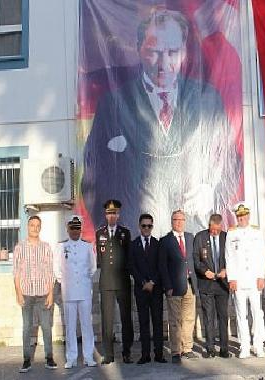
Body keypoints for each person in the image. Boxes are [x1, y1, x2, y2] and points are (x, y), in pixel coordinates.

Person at [81, 7, 240, 237]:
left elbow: (231, 162)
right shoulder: (113, 105)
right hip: (137, 240)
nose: (163, 63)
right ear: (139, 49)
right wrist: (115, 232)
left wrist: (212, 193)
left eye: (173, 52)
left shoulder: (208, 100)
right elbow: (92, 179)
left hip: (190, 238)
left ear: (184, 52)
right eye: (154, 52)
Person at [13, 215, 57, 373]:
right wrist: (18, 293)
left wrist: (51, 293)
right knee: (27, 327)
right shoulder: (20, 247)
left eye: (38, 225)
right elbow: (16, 272)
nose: (35, 228)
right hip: (26, 294)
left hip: (43, 294)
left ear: (40, 227)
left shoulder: (45, 247)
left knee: (46, 326)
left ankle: (49, 358)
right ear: (27, 227)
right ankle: (26, 360)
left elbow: (50, 271)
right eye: (32, 225)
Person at [53, 216, 97, 368]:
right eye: (72, 228)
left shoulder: (87, 246)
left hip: (84, 291)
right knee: (70, 326)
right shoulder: (61, 247)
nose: (75, 231)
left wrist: (83, 281)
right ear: (67, 229)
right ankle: (71, 357)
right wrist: (65, 282)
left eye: (77, 228)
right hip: (69, 291)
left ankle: (88, 356)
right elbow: (57, 268)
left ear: (81, 229)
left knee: (86, 325)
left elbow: (92, 268)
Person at [225, 203, 265, 359]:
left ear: (249, 216)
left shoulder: (256, 232)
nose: (242, 218)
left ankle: (258, 345)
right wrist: (232, 279)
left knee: (258, 313)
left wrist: (261, 276)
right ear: (237, 217)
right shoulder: (231, 233)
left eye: (244, 215)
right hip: (239, 281)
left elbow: (261, 255)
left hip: (255, 279)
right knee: (241, 314)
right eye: (239, 216)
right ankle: (244, 347)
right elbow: (228, 257)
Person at [95, 199, 134, 364]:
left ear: (118, 215)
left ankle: (126, 352)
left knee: (126, 318)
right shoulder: (100, 233)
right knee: (107, 320)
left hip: (122, 281)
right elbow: (99, 257)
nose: (112, 216)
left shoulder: (125, 233)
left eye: (115, 213)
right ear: (105, 215)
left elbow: (129, 257)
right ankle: (108, 354)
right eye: (109, 213)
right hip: (106, 282)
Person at [159, 210, 199, 363]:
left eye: (182, 220)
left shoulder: (190, 237)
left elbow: (192, 259)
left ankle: (187, 348)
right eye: (176, 220)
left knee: (189, 318)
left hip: (190, 285)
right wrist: (167, 286)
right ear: (172, 221)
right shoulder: (165, 241)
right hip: (174, 286)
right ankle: (176, 351)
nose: (179, 222)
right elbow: (162, 266)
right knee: (175, 320)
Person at [129, 213, 167, 364]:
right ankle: (145, 355)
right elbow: (131, 266)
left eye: (149, 226)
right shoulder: (133, 245)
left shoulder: (158, 244)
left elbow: (161, 266)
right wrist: (143, 282)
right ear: (139, 226)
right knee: (143, 322)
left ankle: (159, 354)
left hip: (156, 289)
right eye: (144, 225)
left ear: (152, 227)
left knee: (157, 322)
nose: (146, 228)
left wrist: (152, 282)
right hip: (141, 289)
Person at [193, 214, 231, 359]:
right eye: (212, 229)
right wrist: (205, 271)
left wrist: (226, 270)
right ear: (209, 225)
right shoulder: (200, 237)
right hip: (206, 283)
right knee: (208, 317)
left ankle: (224, 348)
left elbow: (232, 257)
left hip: (222, 284)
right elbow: (196, 258)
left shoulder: (226, 237)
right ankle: (210, 348)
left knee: (223, 316)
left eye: (217, 229)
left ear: (221, 226)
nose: (214, 232)